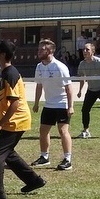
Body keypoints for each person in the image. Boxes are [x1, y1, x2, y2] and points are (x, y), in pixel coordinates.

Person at [0, 40, 46, 199]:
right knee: (8, 154)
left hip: (17, 120)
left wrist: (0, 124)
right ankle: (34, 180)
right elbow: (5, 102)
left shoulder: (10, 73)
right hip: (13, 119)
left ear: (2, 54)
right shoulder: (6, 72)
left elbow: (15, 103)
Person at [31, 39, 75, 171]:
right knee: (43, 131)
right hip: (49, 104)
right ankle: (44, 157)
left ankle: (67, 159)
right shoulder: (39, 67)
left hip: (62, 104)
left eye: (41, 50)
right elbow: (39, 86)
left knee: (63, 131)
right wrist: (37, 103)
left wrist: (70, 106)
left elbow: (69, 88)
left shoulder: (59, 67)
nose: (38, 52)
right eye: (38, 49)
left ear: (49, 51)